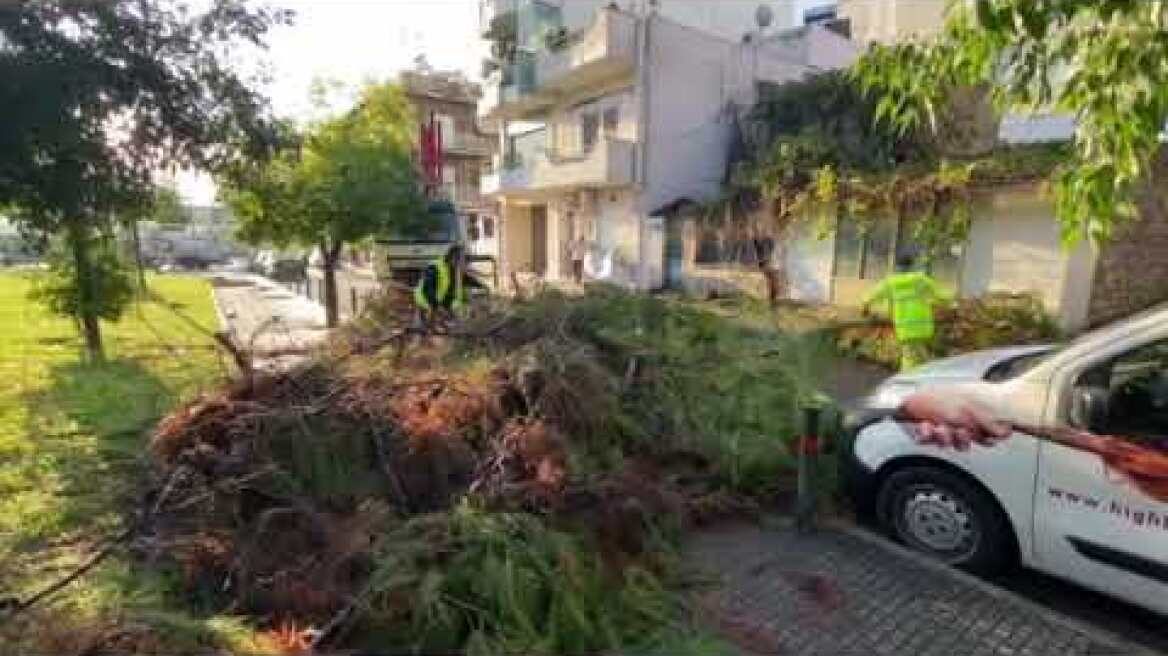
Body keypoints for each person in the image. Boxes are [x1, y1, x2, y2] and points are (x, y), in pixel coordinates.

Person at [862, 253, 949, 371]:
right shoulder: (921, 280)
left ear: (896, 266)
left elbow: (871, 297)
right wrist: (950, 304)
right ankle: (925, 381)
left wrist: (865, 308)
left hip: (905, 328)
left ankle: (908, 384)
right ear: (912, 265)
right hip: (923, 327)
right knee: (920, 357)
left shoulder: (890, 283)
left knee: (910, 360)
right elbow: (942, 296)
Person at [414, 244, 479, 329]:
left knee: (451, 323)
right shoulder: (434, 267)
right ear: (453, 258)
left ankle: (439, 326)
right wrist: (437, 307)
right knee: (426, 330)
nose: (463, 263)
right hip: (426, 300)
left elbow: (465, 279)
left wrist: (480, 285)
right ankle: (425, 328)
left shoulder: (453, 268)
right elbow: (428, 289)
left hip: (441, 301)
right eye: (462, 260)